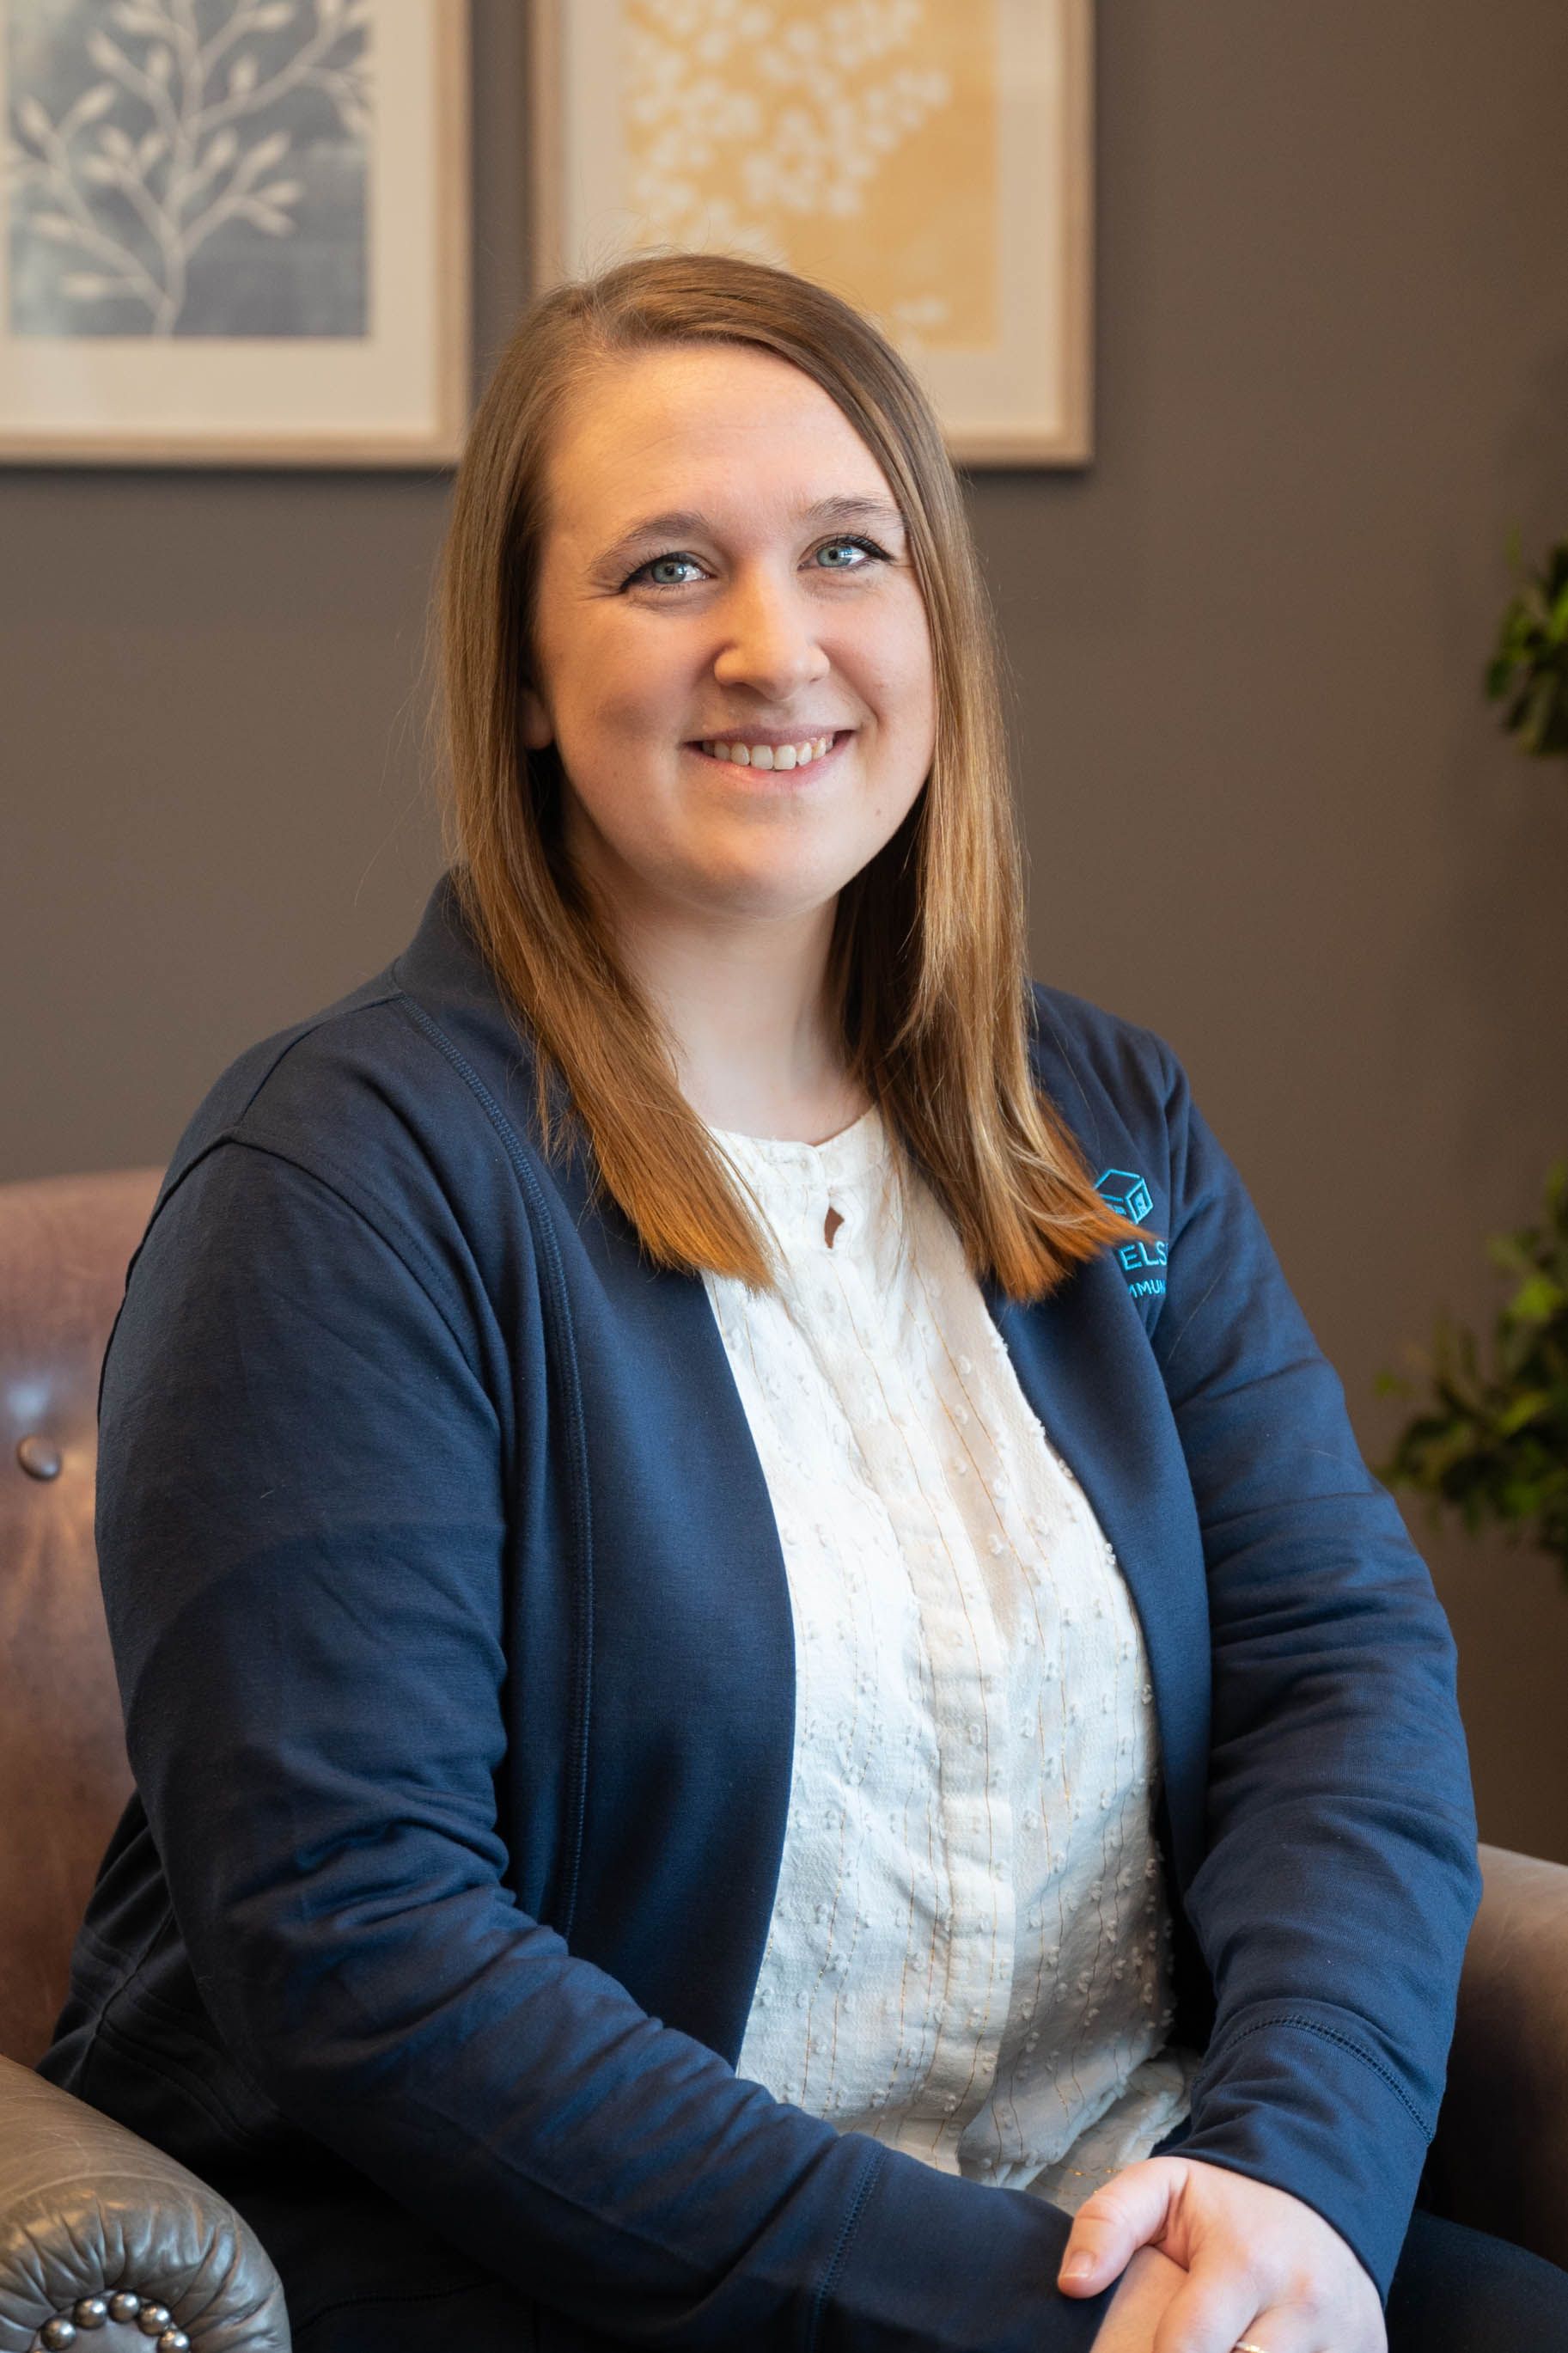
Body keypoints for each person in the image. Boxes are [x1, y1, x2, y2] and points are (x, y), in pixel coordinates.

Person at [41, 252, 1568, 2353]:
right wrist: (1048, 2324)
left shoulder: (1094, 1112)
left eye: (849, 549)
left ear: (931, 612)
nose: (777, 645)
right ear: (517, 671)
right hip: (555, 2278)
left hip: (1112, 2222)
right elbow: (362, 1941)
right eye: (669, 569)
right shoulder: (344, 1179)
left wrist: (1285, 2186)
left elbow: (1336, 1661)